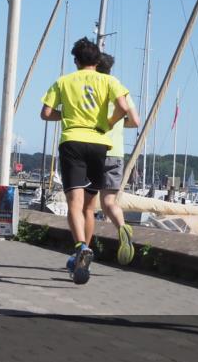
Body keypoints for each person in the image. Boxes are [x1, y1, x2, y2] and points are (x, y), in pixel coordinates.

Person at [41, 38, 131, 285]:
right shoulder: (109, 81)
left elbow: (46, 113)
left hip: (72, 142)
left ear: (76, 61)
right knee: (89, 207)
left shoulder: (63, 81)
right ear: (97, 60)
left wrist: (67, 115)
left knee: (73, 202)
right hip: (99, 144)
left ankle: (80, 246)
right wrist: (107, 123)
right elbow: (124, 109)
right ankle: (85, 250)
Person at [77, 53, 141, 269]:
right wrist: (118, 123)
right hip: (116, 153)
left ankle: (83, 251)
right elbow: (135, 120)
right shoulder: (120, 89)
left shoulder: (95, 89)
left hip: (95, 150)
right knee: (109, 202)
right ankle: (122, 227)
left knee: (87, 206)